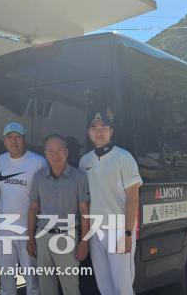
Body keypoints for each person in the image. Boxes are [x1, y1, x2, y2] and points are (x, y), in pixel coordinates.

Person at [79, 112, 142, 295]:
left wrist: (128, 233)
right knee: (104, 285)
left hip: (119, 229)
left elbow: (133, 198)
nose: (99, 132)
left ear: (111, 131)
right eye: (95, 128)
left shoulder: (124, 157)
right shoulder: (85, 161)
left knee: (122, 286)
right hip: (95, 230)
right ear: (88, 132)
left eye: (104, 128)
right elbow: (85, 199)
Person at [27, 134, 90, 295]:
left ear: (67, 152)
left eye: (60, 150)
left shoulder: (79, 177)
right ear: (45, 154)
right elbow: (34, 208)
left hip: (67, 238)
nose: (56, 155)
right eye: (51, 151)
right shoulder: (39, 177)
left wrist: (84, 241)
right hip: (42, 237)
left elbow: (84, 211)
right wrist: (31, 238)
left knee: (71, 288)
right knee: (46, 287)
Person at [0, 122, 47, 295]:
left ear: (24, 139)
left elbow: (45, 196)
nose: (14, 141)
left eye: (17, 137)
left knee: (31, 277)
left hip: (29, 229)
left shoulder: (38, 162)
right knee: (6, 276)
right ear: (4, 141)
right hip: (5, 228)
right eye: (9, 137)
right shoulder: (1, 160)